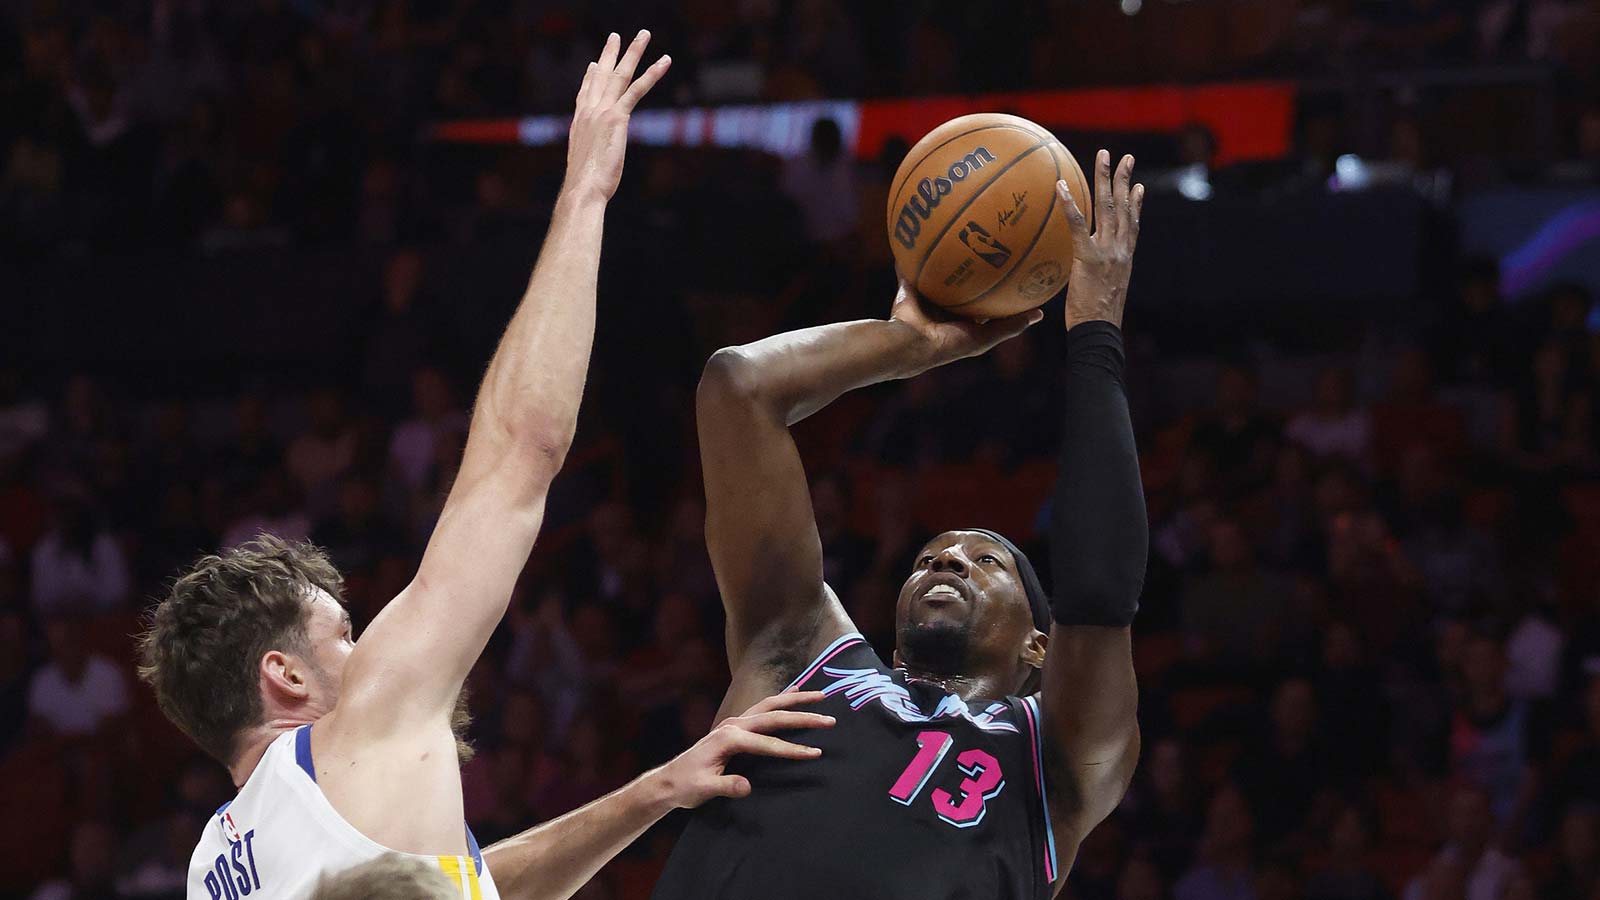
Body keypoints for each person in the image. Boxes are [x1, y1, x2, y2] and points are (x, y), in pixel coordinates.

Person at [136, 33, 831, 900]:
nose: (369, 648)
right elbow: (520, 453)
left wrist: (653, 791)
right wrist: (586, 188)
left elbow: (459, 884)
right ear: (284, 675)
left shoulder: (214, 866)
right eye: (344, 637)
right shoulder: (362, 719)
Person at [653, 151, 1148, 899]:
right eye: (930, 557)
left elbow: (1101, 590)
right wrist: (909, 348)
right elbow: (738, 387)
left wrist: (1096, 335)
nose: (946, 561)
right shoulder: (802, 663)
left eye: (987, 562)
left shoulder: (1057, 757)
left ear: (1039, 644)